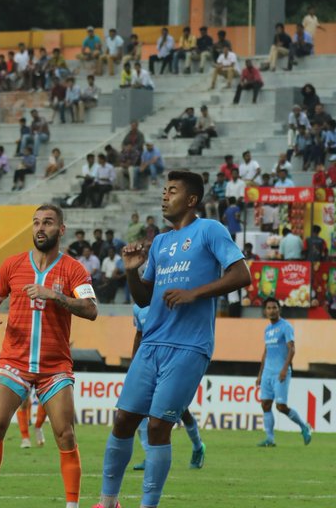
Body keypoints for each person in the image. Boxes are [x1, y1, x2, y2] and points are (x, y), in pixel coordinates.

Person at [93, 171, 250, 508]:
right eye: (164, 190)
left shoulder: (210, 230)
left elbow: (241, 274)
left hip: (189, 346)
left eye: (173, 191)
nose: (165, 196)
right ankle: (108, 502)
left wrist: (195, 293)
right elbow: (145, 299)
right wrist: (133, 270)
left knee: (158, 426)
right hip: (151, 344)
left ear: (191, 200)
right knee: (122, 420)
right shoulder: (161, 242)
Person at [0, 204, 98, 508]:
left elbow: (91, 309)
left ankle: (72, 505)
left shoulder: (73, 269)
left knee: (66, 434)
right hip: (13, 362)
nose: (40, 228)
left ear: (61, 229)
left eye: (47, 222)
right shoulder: (12, 265)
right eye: (36, 223)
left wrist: (56, 295)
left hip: (54, 367)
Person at [129, 302, 204, 471]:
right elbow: (139, 335)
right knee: (137, 409)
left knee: (182, 411)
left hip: (173, 363)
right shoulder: (137, 307)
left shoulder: (168, 302)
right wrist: (134, 364)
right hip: (148, 363)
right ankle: (149, 456)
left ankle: (198, 446)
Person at [255, 298, 313, 447]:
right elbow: (266, 351)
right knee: (265, 405)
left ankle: (304, 426)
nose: (272, 310)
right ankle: (270, 438)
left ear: (279, 309)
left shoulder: (286, 327)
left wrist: (284, 369)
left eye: (274, 307)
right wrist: (260, 374)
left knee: (281, 406)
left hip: (280, 372)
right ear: (265, 311)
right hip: (267, 372)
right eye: (268, 308)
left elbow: (292, 349)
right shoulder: (267, 330)